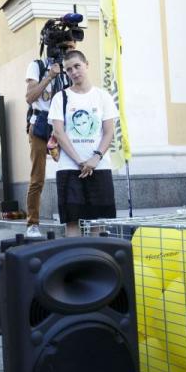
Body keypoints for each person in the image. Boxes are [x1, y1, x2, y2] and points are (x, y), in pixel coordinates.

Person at [48, 50, 118, 237]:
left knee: (98, 223)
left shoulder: (103, 96)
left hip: (99, 167)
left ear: (87, 64)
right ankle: (75, 257)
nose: (74, 72)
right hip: (69, 167)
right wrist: (79, 161)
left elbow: (109, 132)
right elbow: (58, 132)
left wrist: (96, 158)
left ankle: (96, 256)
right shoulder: (60, 97)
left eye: (77, 66)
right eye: (68, 69)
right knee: (72, 221)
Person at [25, 38, 76, 237]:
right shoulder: (37, 65)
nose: (69, 51)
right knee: (37, 177)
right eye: (66, 47)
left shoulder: (71, 69)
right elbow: (29, 97)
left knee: (70, 172)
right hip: (40, 124)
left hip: (61, 124)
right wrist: (50, 76)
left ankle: (72, 220)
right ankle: (32, 223)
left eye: (72, 48)